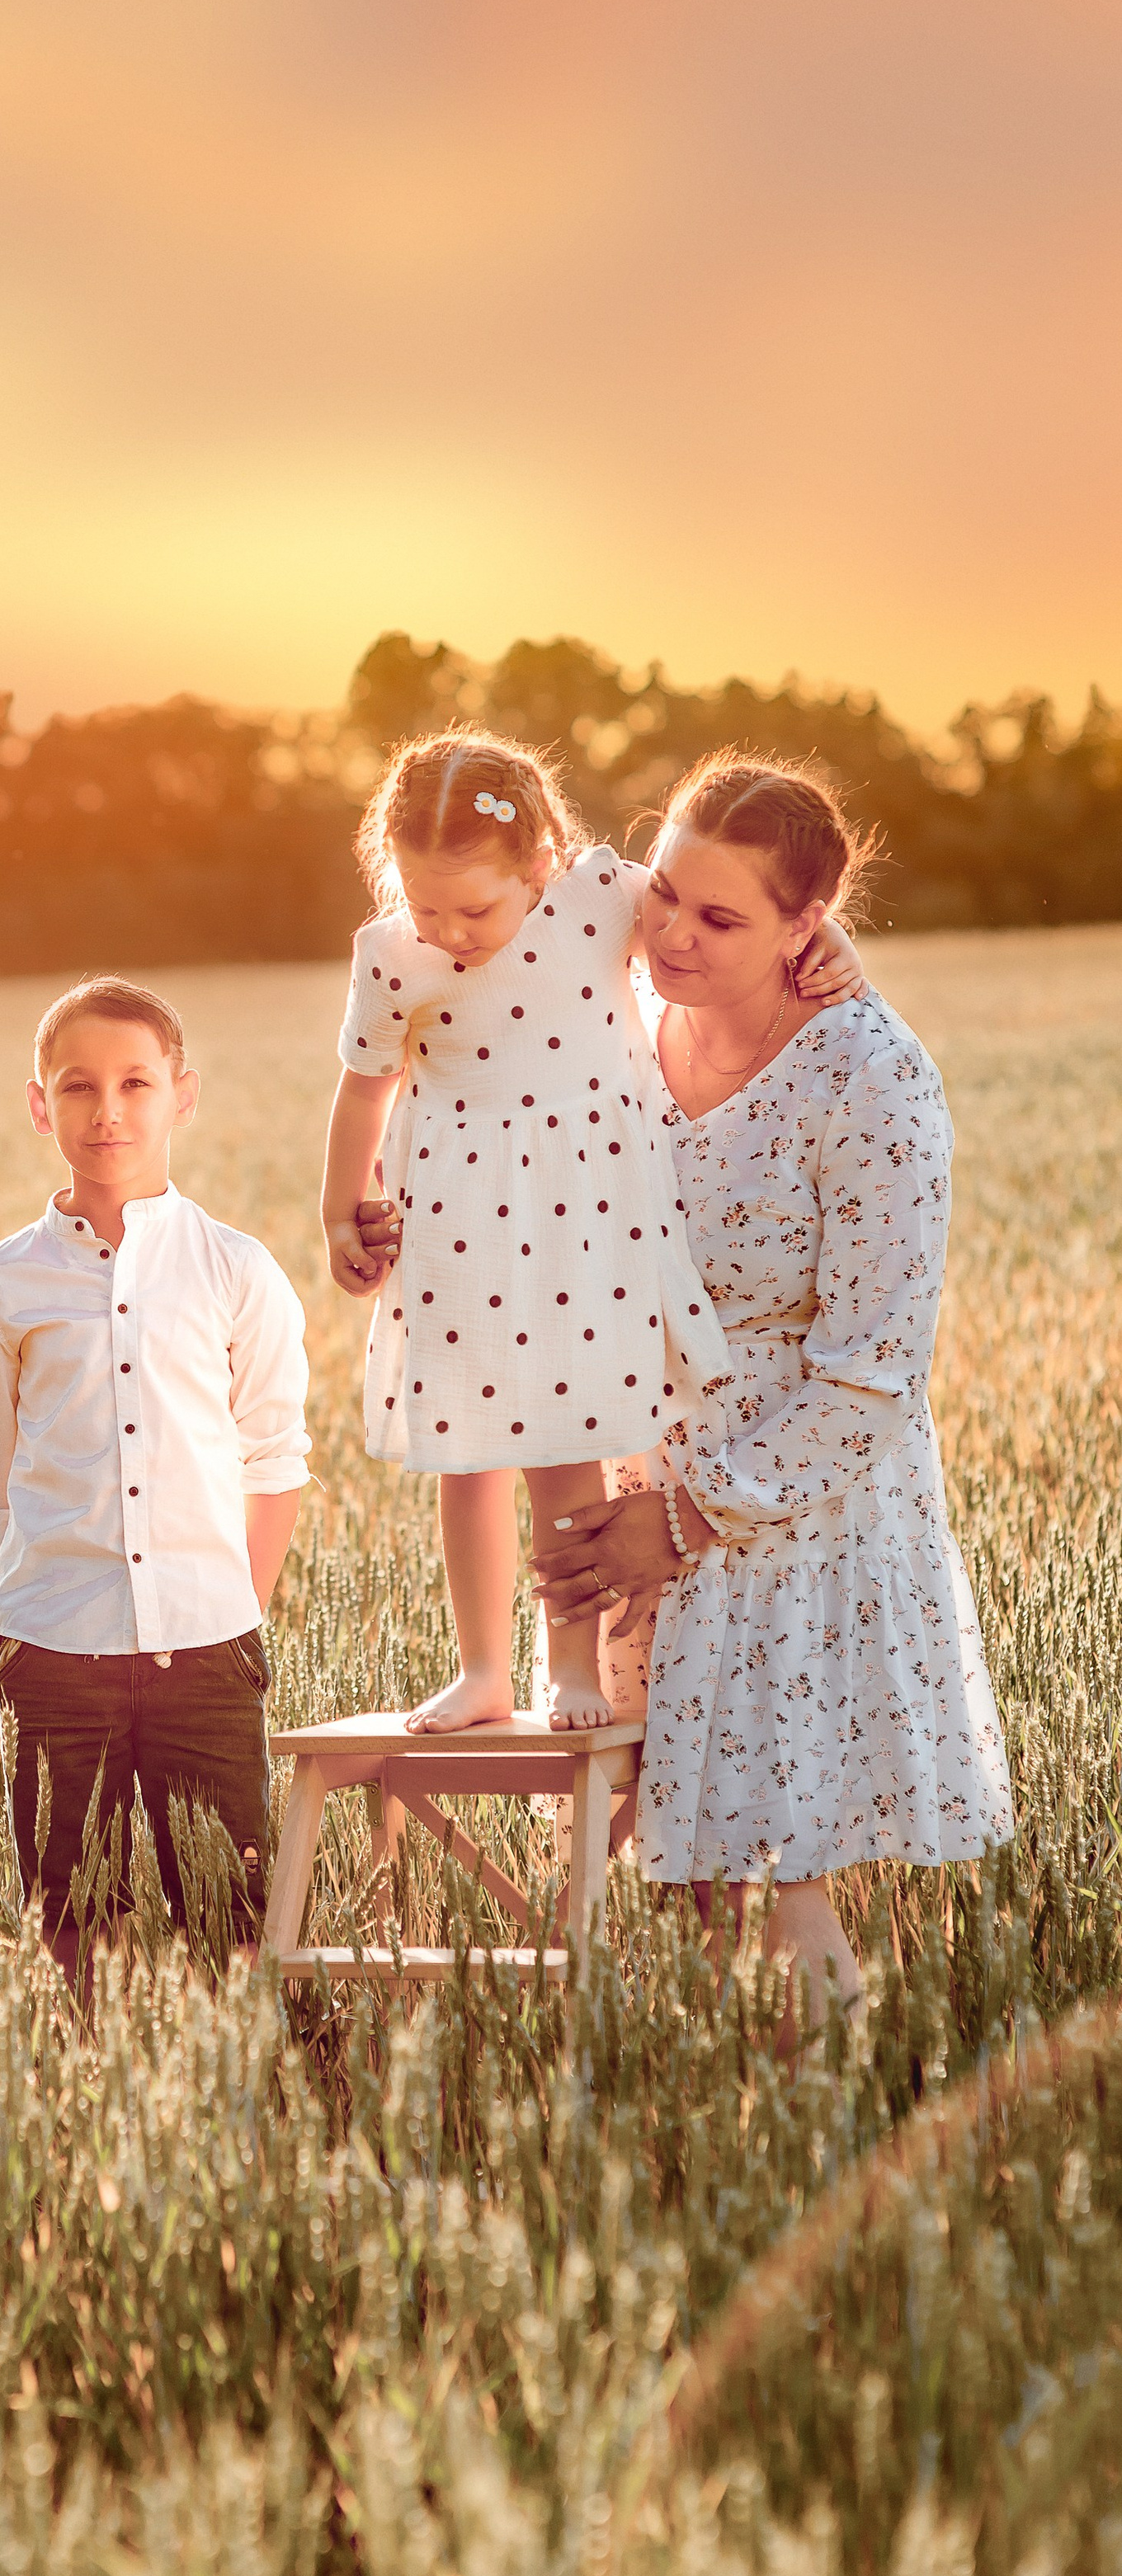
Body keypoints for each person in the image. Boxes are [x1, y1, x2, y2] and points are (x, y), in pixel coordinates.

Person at [529, 753, 1015, 2023]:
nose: (674, 935)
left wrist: (690, 1517)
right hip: (632, 1483)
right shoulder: (611, 1014)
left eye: (722, 916)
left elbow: (874, 1369)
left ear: (807, 926)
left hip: (796, 1516)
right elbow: (453, 941)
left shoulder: (873, 1076)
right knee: (678, 1881)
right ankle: (701, 2121)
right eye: (665, 893)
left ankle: (841, 2111)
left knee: (783, 1877)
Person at [319, 728, 863, 1731]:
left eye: (473, 909)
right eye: (425, 906)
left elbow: (730, 917)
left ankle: (572, 1671)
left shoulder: (600, 898)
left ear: (538, 862)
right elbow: (364, 1087)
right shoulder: (393, 957)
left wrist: (831, 941)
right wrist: (338, 1209)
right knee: (465, 1458)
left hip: (584, 1230)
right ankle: (481, 1670)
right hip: (456, 1231)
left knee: (562, 1453)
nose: (448, 931)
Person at [0, 976, 310, 1990]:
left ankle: (241, 2078)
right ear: (40, 1105)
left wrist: (231, 1614)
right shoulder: (0, 1283)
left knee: (233, 1923)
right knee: (73, 1924)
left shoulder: (237, 1269)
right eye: (78, 1086)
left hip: (207, 1649)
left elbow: (274, 1458)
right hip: (55, 1651)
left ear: (181, 1096)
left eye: (135, 1083)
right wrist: (12, 1642)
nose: (106, 1110)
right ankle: (90, 2083)